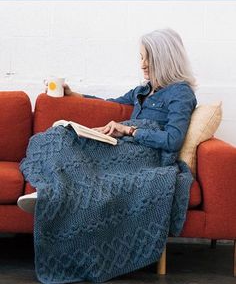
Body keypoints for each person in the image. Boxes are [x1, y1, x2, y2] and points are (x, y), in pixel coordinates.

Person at [17, 28, 197, 213]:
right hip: (127, 146)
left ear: (164, 58)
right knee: (58, 135)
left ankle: (53, 194)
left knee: (71, 144)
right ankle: (49, 190)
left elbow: (173, 139)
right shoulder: (142, 91)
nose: (142, 64)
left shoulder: (180, 93)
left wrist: (131, 131)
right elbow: (109, 104)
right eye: (141, 58)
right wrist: (74, 94)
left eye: (148, 58)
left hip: (147, 156)